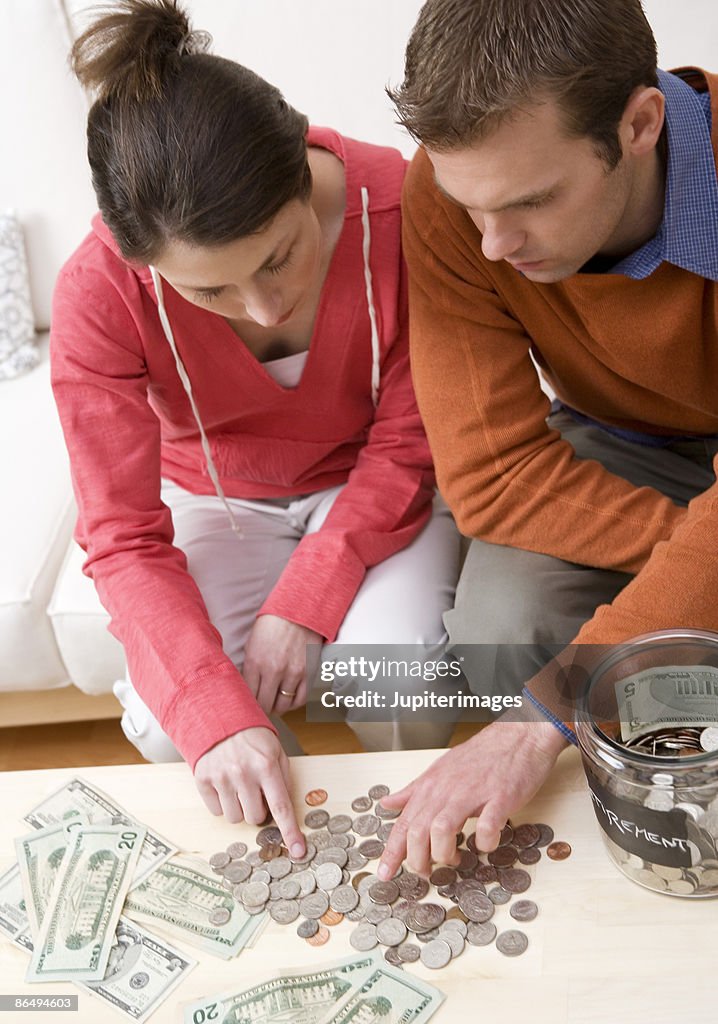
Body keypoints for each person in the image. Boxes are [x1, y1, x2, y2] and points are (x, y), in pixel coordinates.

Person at [51, 0, 462, 857]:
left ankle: (403, 835)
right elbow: (122, 536)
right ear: (141, 265)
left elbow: (412, 438)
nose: (264, 306)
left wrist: (309, 598)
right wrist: (216, 714)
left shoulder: (401, 200)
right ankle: (309, 850)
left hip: (381, 489)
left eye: (279, 255)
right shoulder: (99, 292)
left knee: (402, 683)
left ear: (302, 163)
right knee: (185, 732)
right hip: (220, 501)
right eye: (210, 292)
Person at [375, 0, 718, 881]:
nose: (492, 246)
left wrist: (542, 715)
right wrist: (693, 557)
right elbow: (491, 475)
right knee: (498, 622)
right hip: (625, 446)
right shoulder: (461, 195)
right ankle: (593, 853)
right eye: (470, 207)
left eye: (532, 201)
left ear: (640, 124)